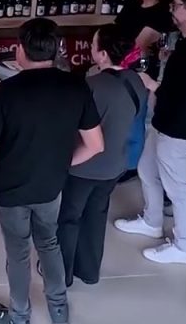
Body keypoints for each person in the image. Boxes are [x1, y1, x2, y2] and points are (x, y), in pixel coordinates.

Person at [0, 18, 104, 324]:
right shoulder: (76, 86)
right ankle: (59, 311)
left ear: (19, 50)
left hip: (11, 188)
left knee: (18, 252)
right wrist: (61, 164)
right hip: (51, 186)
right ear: (57, 50)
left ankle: (19, 321)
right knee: (49, 242)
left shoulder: (5, 92)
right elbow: (95, 145)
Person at [115, 0, 186, 265]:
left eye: (177, 5)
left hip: (179, 128)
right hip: (164, 122)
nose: (172, 10)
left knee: (179, 189)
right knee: (147, 169)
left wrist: (153, 85)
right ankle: (151, 221)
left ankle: (184, 246)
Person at [58, 25, 147, 287]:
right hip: (115, 164)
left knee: (69, 218)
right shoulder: (136, 81)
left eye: (94, 45)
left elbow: (74, 124)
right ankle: (89, 271)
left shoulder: (91, 86)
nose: (91, 48)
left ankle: (62, 273)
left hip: (83, 166)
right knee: (96, 216)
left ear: (103, 54)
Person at [114, 0, 176, 183]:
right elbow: (115, 31)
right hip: (119, 63)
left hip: (140, 68)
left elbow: (139, 44)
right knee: (119, 113)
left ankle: (131, 165)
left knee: (135, 115)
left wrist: (116, 52)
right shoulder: (132, 4)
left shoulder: (162, 15)